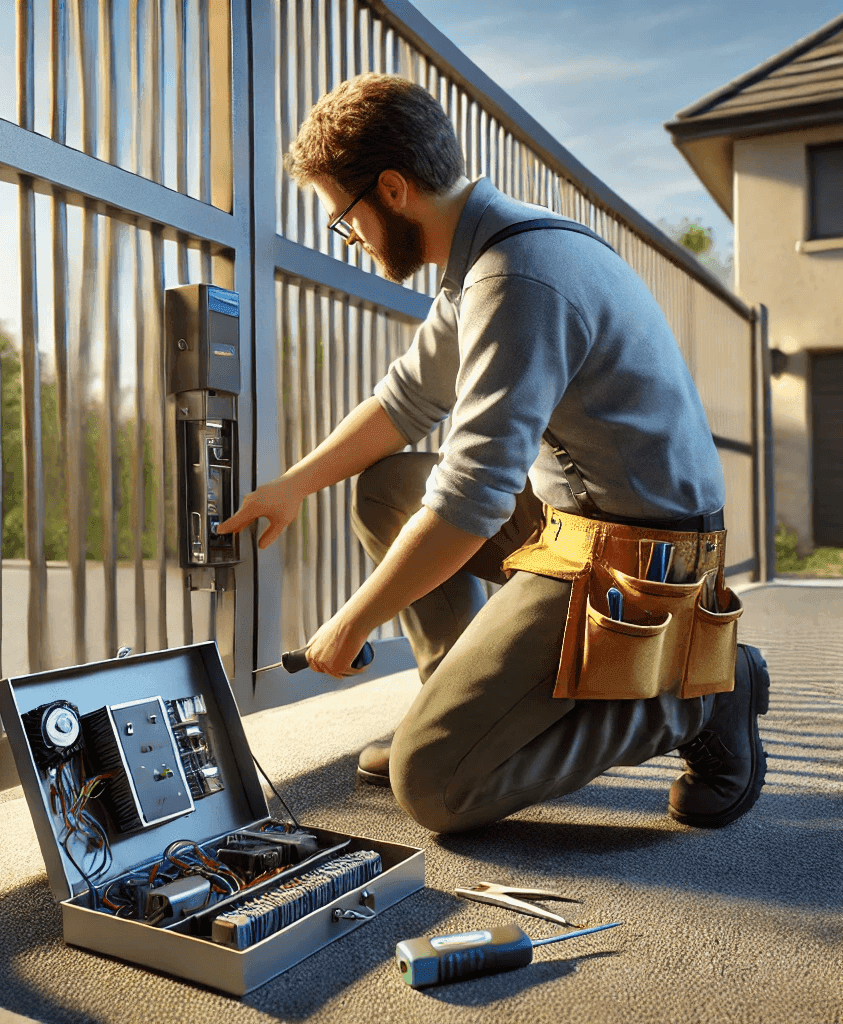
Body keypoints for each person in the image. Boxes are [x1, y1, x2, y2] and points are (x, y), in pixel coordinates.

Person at [216, 72, 769, 834]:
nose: (352, 239)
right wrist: (294, 484)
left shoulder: (518, 279)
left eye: (346, 220)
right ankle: (459, 700)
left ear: (392, 189)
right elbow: (406, 401)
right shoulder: (483, 249)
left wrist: (349, 624)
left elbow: (469, 504)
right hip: (577, 517)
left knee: (435, 790)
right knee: (384, 488)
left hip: (643, 555)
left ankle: (699, 694)